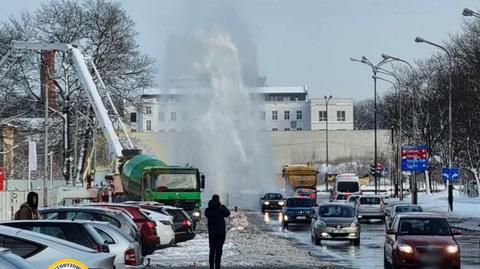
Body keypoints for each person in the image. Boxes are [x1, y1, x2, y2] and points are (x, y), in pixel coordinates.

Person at [205, 194, 231, 269]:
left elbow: (207, 214)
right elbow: (228, 213)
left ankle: (211, 267)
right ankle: (217, 266)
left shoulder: (208, 210)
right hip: (221, 233)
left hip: (212, 233)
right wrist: (223, 207)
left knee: (212, 251)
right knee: (219, 251)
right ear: (218, 200)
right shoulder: (221, 208)